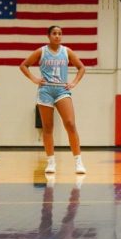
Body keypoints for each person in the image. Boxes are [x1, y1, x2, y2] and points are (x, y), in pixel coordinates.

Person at [20, 25, 88, 175]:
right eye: (54, 33)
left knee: (70, 124)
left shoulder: (66, 51)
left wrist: (74, 82)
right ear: (49, 36)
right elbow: (24, 65)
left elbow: (81, 67)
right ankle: (51, 162)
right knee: (48, 127)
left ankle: (78, 161)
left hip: (61, 90)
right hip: (45, 90)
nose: (57, 36)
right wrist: (34, 79)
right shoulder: (42, 51)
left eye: (60, 33)